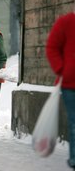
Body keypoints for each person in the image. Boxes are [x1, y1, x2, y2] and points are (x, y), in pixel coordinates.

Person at [46, 10, 75, 170]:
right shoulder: (65, 22)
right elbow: (52, 47)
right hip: (70, 84)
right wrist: (61, 68)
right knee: (74, 121)